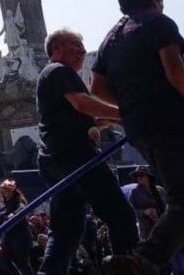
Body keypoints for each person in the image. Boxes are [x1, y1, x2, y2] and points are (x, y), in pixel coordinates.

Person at [91, 0, 184, 274]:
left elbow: (96, 87)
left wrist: (131, 107)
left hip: (139, 130)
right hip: (170, 121)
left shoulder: (110, 39)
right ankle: (143, 259)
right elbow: (173, 66)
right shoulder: (157, 22)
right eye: (159, 0)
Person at [34, 28, 139, 275]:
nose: (82, 51)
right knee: (121, 215)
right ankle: (126, 268)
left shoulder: (50, 76)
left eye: (82, 47)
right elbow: (83, 103)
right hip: (76, 157)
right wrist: (127, 113)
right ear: (56, 49)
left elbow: (84, 119)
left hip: (53, 159)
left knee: (66, 230)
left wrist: (117, 120)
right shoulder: (59, 71)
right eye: (75, 45)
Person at [0, 180, 33, 275]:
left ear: (13, 191)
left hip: (20, 236)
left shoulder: (18, 202)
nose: (5, 191)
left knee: (22, 263)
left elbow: (22, 208)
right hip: (8, 237)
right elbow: (1, 224)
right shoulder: (5, 206)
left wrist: (14, 214)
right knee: (3, 259)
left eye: (8, 189)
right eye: (4, 190)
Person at [127, 167, 166, 241]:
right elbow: (130, 210)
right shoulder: (135, 192)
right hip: (147, 229)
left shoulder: (160, 190)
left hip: (162, 226)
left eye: (142, 175)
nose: (139, 178)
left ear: (148, 177)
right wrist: (144, 212)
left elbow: (168, 206)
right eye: (137, 176)